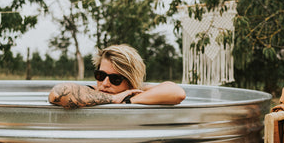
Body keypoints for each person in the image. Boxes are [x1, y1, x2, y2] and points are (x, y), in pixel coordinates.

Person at [48, 44, 186, 109]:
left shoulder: (134, 92)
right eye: (100, 75)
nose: (105, 83)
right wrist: (113, 99)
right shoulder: (91, 92)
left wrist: (128, 100)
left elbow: (177, 93)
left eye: (116, 79)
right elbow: (57, 93)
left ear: (131, 82)